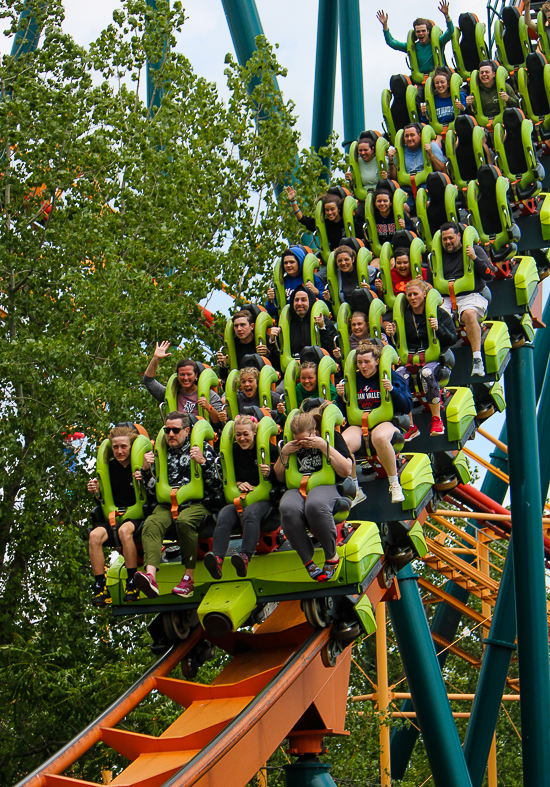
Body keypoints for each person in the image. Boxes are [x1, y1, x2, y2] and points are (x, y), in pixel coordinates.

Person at [134, 411, 222, 599]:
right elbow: (152, 490)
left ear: (186, 430)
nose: (171, 434)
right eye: (167, 430)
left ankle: (188, 579)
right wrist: (146, 471)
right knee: (151, 523)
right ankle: (150, 576)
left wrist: (203, 463)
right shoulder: (161, 453)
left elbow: (217, 485)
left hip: (196, 503)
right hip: (167, 504)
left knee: (185, 521)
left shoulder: (202, 448)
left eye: (175, 430)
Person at [274, 405, 353, 581]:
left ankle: (331, 555)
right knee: (287, 508)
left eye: (305, 439)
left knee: (315, 505)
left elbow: (347, 470)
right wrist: (285, 453)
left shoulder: (332, 437)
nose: (302, 444)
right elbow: (279, 477)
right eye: (298, 441)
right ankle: (308, 561)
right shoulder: (290, 444)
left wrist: (324, 447)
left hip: (327, 486)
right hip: (298, 487)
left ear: (314, 431)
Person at [204, 414, 279, 579]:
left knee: (251, 513)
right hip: (240, 497)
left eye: (246, 434)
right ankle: (217, 559)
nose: (242, 438)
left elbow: (282, 476)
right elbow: (228, 476)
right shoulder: (234, 451)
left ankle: (244, 557)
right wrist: (237, 483)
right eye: (238, 435)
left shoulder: (268, 449)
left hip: (263, 499)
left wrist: (271, 472)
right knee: (224, 514)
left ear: (254, 433)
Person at [336, 343, 412, 504]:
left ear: (377, 361)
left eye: (367, 362)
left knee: (379, 437)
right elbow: (342, 410)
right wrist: (342, 396)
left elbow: (407, 406)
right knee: (342, 443)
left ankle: (394, 483)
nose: (363, 366)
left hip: (384, 422)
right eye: (359, 362)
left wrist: (393, 390)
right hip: (358, 424)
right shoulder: (353, 380)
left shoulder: (391, 376)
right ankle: (355, 489)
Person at [386, 279, 457, 439]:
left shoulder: (438, 313)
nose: (412, 298)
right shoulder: (404, 316)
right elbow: (396, 345)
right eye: (409, 295)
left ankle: (437, 419)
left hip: (434, 360)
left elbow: (452, 338)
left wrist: (439, 328)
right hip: (410, 359)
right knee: (398, 376)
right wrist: (392, 334)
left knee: (426, 373)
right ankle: (410, 425)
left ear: (424, 295)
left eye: (415, 294)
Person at [430, 221, 498, 376]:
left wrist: (475, 258)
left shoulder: (475, 250)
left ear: (459, 236)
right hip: (446, 297)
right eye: (445, 239)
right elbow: (431, 280)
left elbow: (490, 274)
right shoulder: (438, 255)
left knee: (468, 314)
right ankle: (437, 360)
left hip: (471, 295)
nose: (448, 242)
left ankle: (477, 359)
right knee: (432, 318)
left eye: (451, 238)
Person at [87, 426, 142, 607]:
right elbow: (101, 498)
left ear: (131, 446)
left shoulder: (140, 465)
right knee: (94, 536)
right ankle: (100, 585)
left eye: (123, 447)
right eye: (116, 447)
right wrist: (96, 491)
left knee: (125, 531)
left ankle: (132, 581)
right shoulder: (108, 468)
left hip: (135, 517)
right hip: (113, 517)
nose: (119, 451)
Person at [143, 345, 224, 423]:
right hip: (177, 433)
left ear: (195, 375)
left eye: (189, 374)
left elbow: (219, 423)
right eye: (182, 374)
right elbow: (148, 381)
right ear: (177, 376)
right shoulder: (172, 394)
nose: (185, 378)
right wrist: (156, 359)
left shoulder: (210, 395)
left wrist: (208, 407)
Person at [376, 3, 454, 83]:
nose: (421, 33)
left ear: (428, 31)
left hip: (438, 79)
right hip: (419, 80)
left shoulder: (438, 42)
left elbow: (450, 31)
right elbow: (392, 42)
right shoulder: (413, 47)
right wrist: (385, 26)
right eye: (418, 31)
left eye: (423, 31)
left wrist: (447, 15)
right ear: (415, 33)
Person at [285, 186, 364, 252]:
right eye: (327, 210)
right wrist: (293, 201)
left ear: (338, 209)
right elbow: (302, 219)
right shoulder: (325, 224)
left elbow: (363, 238)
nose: (330, 213)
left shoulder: (350, 222)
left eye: (332, 209)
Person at [268, 286, 338, 360]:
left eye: (303, 300)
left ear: (310, 301)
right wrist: (272, 341)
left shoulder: (323, 321)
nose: (299, 303)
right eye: (296, 300)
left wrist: (323, 328)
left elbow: (333, 351)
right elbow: (277, 358)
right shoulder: (286, 323)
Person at [266, 246, 324, 318]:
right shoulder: (282, 283)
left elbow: (326, 302)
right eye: (285, 263)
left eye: (292, 262)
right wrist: (270, 301)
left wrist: (317, 292)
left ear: (300, 262)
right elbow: (273, 311)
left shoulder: (313, 278)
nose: (288, 265)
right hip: (291, 322)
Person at [217, 310, 277, 379]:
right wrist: (223, 366)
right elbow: (224, 378)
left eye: (242, 325)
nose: (239, 329)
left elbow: (278, 366)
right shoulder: (232, 346)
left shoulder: (263, 340)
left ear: (252, 326)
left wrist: (268, 355)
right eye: (236, 326)